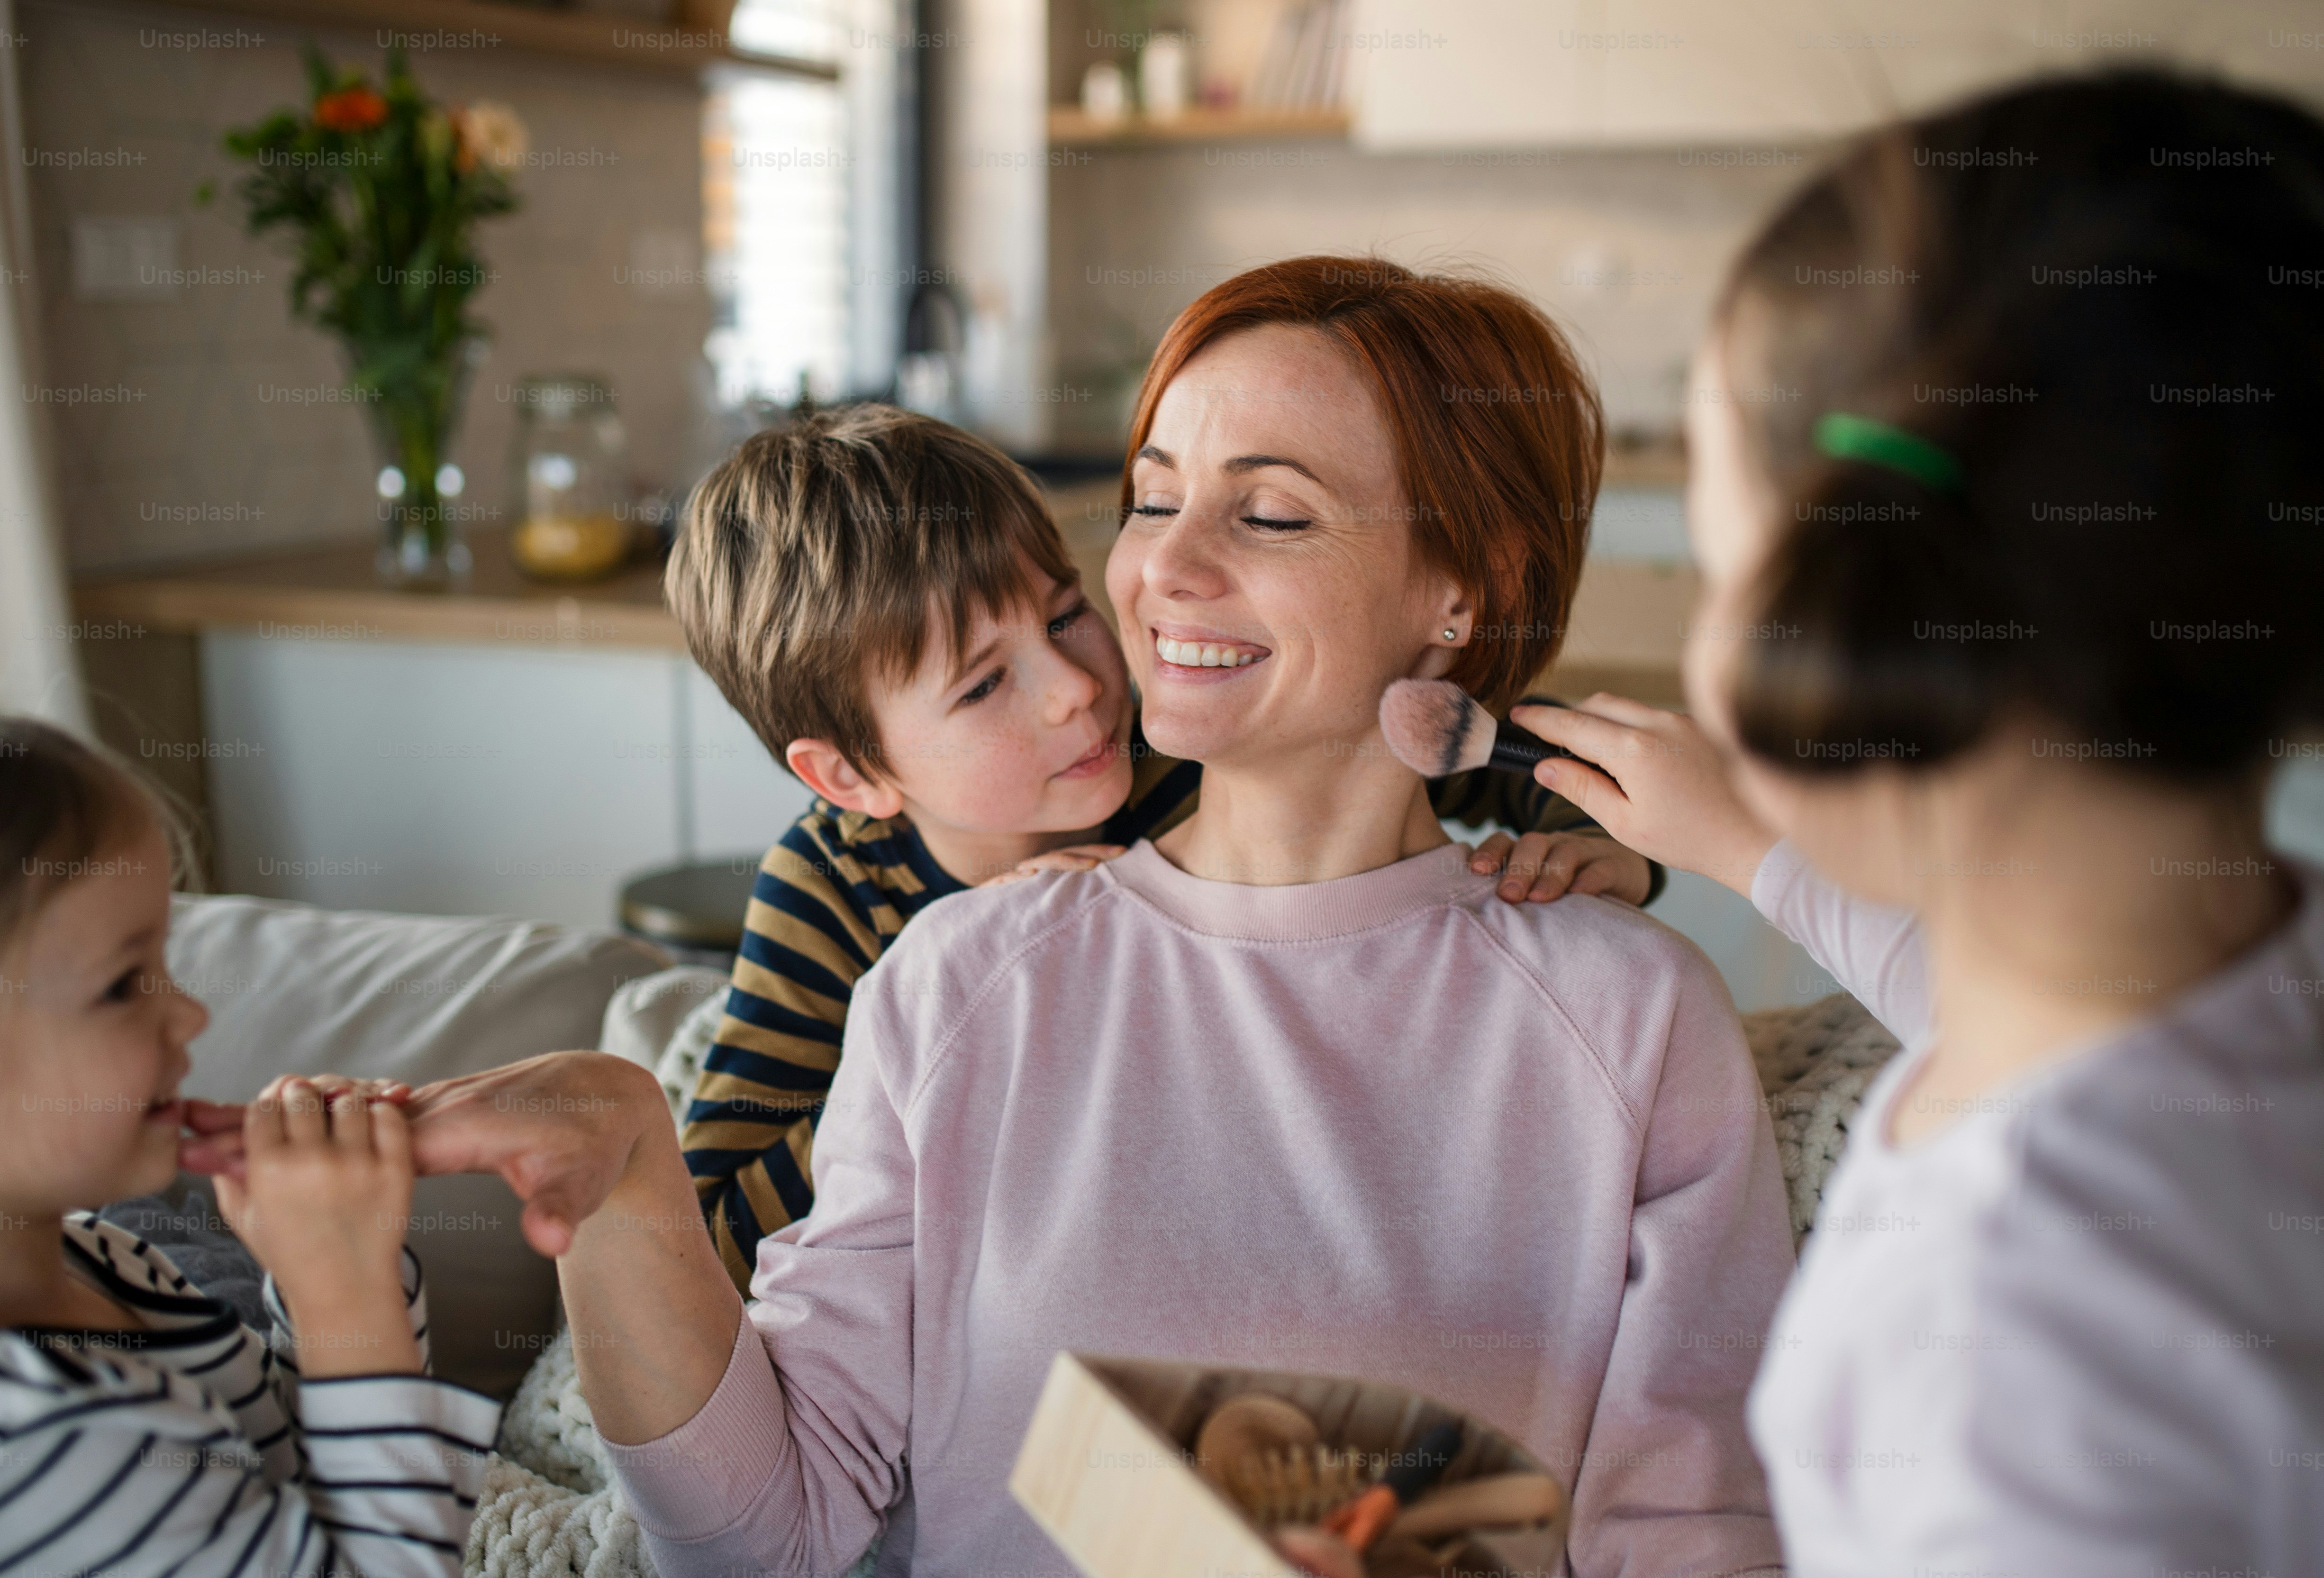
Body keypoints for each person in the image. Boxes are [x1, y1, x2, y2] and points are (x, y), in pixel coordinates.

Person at [317, 256, 1795, 1578]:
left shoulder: (1630, 1016)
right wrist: (629, 1181)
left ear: (1465, 593)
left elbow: (1690, 1533)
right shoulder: (951, 978)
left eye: (1270, 510)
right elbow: (764, 1541)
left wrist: (1633, 858)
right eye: (1154, 497)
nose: (1162, 574)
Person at [1512, 70, 2324, 1574]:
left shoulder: (2020, 1341)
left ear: (1842, 628)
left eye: (1712, 565)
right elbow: (1977, 1006)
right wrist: (1754, 849)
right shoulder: (2231, 980)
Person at [664, 404, 1661, 1288]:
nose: (1077, 686)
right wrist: (942, 1041)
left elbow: (1496, 744)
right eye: (982, 685)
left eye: (1065, 615)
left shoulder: (1180, 749)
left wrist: (1605, 847)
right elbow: (709, 1238)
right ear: (851, 776)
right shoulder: (830, 887)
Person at [0, 707, 497, 1578]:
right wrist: (348, 1295)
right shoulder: (20, 1447)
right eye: (123, 984)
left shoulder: (101, 1258)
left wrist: (332, 1278)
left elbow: (308, 1492)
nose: (190, 1014)